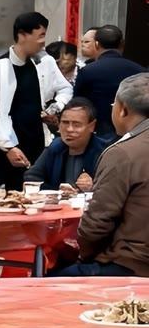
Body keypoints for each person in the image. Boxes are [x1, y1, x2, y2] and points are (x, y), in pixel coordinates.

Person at [54, 73, 149, 277]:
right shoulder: (57, 148)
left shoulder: (122, 153)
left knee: (48, 281)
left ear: (122, 110)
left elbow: (97, 224)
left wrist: (84, 255)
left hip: (131, 264)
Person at [0, 10, 72, 191]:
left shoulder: (41, 63)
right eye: (40, 36)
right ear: (22, 35)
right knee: (8, 200)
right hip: (8, 151)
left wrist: (55, 107)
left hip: (36, 147)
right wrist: (8, 147)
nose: (43, 42)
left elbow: (64, 89)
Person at [72, 25, 144, 141]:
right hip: (132, 131)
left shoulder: (88, 71)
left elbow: (78, 103)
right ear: (122, 44)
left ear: (96, 44)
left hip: (97, 133)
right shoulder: (139, 70)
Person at [24, 98, 108, 193]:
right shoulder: (55, 147)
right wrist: (58, 192)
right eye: (65, 123)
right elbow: (31, 177)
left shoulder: (105, 152)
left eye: (76, 124)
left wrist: (95, 185)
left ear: (92, 126)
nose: (69, 129)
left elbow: (114, 188)